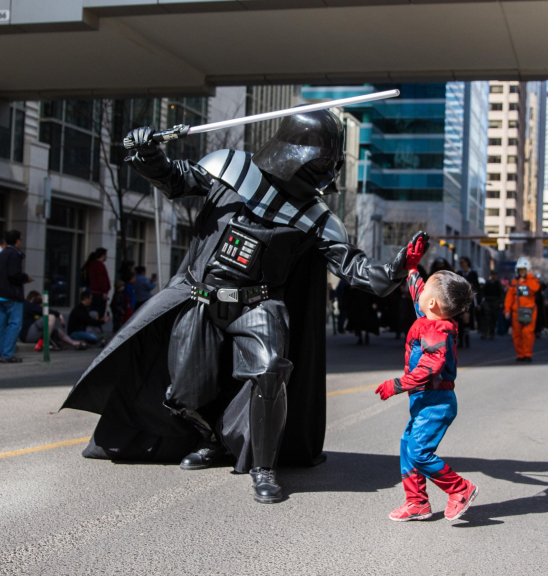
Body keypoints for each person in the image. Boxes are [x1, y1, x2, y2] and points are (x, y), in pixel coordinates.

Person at [63, 111, 419, 505]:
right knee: (182, 393)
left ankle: (263, 468)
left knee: (269, 371)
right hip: (202, 300)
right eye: (320, 163)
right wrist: (148, 154)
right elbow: (175, 180)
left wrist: (394, 268)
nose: (325, 173)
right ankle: (214, 440)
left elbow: (353, 267)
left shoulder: (318, 219)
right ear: (293, 152)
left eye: (330, 165)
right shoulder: (229, 169)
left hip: (258, 304)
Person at [375, 234, 478, 522]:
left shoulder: (437, 330)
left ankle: (460, 490)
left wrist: (396, 385)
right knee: (408, 446)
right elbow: (418, 291)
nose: (418, 296)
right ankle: (416, 502)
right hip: (425, 399)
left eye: (425, 293)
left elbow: (430, 369)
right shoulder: (431, 315)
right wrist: (412, 266)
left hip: (436, 401)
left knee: (419, 451)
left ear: (432, 303)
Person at [0, 230, 32, 363]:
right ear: (17, 240)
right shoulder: (14, 254)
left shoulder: (2, 254)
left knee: (1, 325)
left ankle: (2, 352)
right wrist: (26, 278)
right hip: (12, 295)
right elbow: (14, 275)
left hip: (1, 295)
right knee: (15, 324)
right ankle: (7, 354)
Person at [20, 290, 86, 350]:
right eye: (39, 300)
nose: (39, 303)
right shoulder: (28, 305)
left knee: (58, 331)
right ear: (33, 299)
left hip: (34, 332)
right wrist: (58, 314)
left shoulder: (32, 307)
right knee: (51, 317)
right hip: (27, 333)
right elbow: (44, 311)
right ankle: (45, 343)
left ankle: (73, 343)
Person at [504, 257, 541, 362]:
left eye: (524, 270)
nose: (522, 272)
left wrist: (529, 278)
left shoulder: (532, 281)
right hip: (516, 312)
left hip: (530, 311)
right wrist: (507, 309)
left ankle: (527, 353)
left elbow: (535, 288)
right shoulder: (514, 282)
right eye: (520, 270)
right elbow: (509, 297)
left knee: (528, 333)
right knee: (517, 334)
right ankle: (520, 354)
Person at [456, 256, 480, 348]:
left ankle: (466, 339)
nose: (461, 264)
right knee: (460, 320)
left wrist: (478, 302)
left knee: (467, 319)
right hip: (460, 300)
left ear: (466, 263)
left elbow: (476, 287)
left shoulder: (473, 274)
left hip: (469, 299)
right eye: (460, 262)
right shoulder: (459, 273)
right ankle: (461, 340)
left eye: (462, 262)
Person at [83, 248, 111, 318]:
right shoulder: (100, 265)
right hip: (99, 293)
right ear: (103, 255)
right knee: (99, 313)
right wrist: (104, 291)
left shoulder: (92, 264)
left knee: (93, 312)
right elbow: (102, 279)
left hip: (93, 291)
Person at [481, 270, 504, 340]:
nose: (493, 276)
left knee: (493, 318)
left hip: (495, 301)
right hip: (488, 301)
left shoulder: (498, 283)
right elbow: (483, 292)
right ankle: (484, 332)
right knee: (486, 318)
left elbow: (501, 293)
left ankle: (491, 333)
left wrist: (500, 302)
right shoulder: (487, 283)